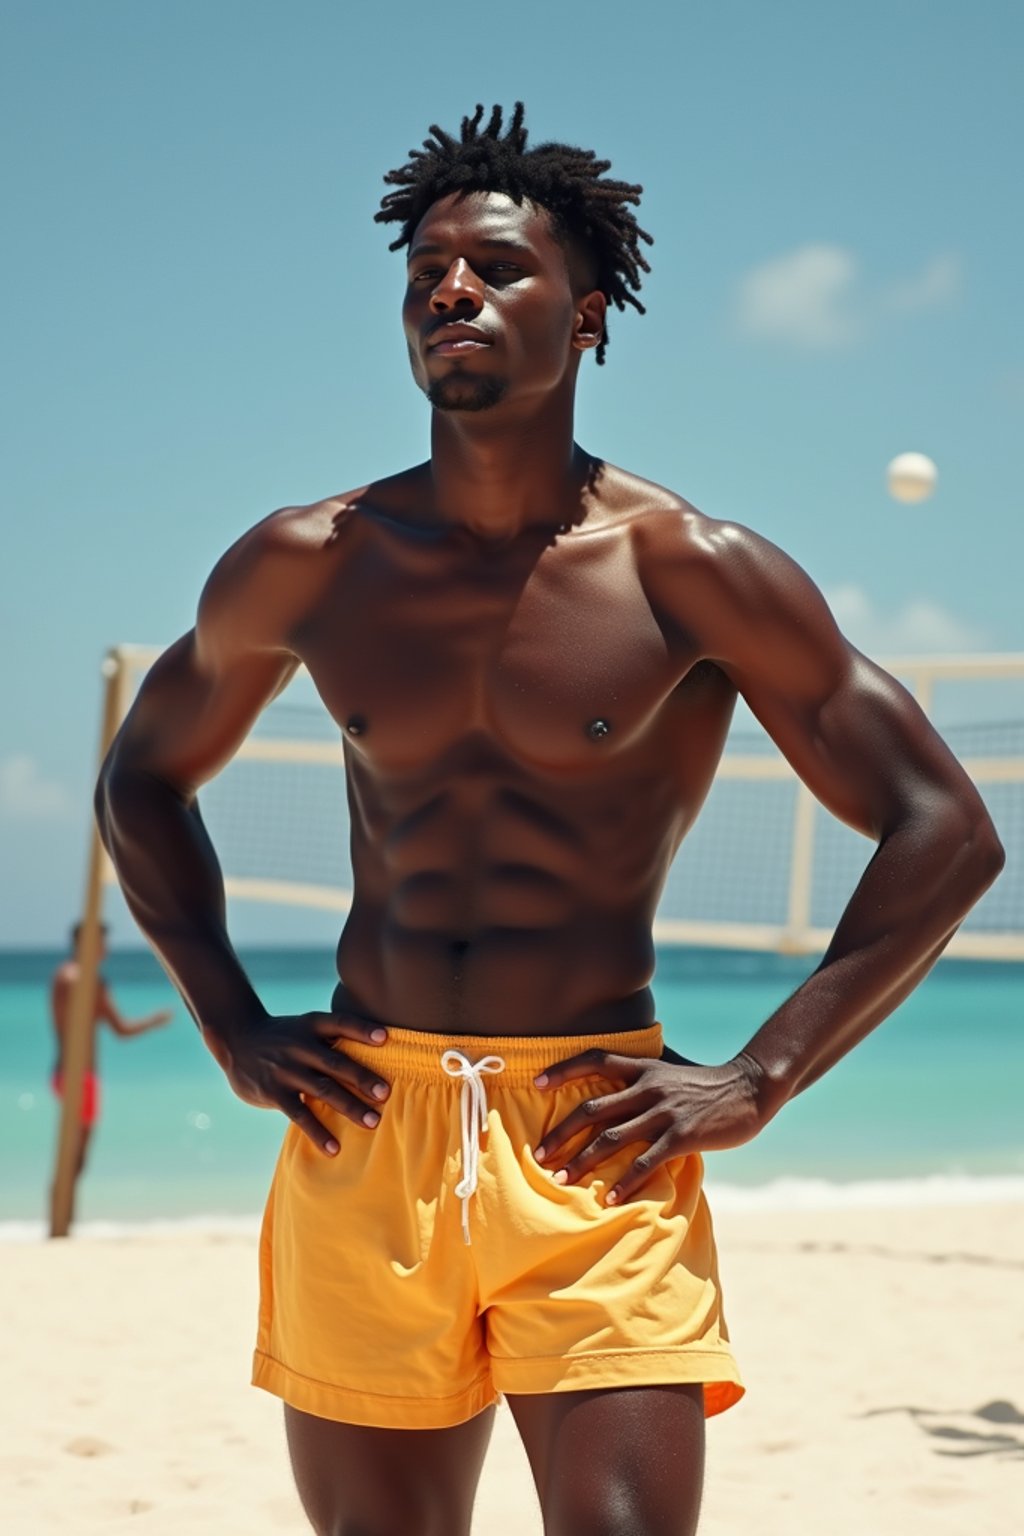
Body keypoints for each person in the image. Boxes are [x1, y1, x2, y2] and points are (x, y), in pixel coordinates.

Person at [94, 103, 1004, 1536]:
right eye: (427, 273)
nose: (451, 290)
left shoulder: (687, 568)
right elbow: (141, 777)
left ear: (585, 319)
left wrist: (763, 1076)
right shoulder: (307, 561)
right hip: (366, 1119)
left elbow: (945, 826)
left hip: (594, 1134)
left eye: (496, 269)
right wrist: (229, 1020)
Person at [50, 921, 171, 1209]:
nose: (106, 949)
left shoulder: (77, 979)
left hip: (75, 1075)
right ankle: (59, 1219)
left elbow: (121, 1030)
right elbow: (116, 1029)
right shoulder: (76, 979)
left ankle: (63, 1218)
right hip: (76, 1075)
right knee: (72, 1155)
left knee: (76, 1155)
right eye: (101, 942)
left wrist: (151, 1022)